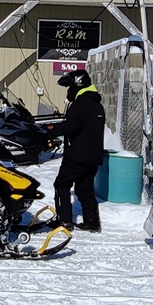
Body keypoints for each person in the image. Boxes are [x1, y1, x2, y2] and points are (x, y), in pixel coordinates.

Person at [45, 69, 106, 232]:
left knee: (61, 184)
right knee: (84, 188)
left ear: (77, 84)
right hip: (93, 156)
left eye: (70, 86)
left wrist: (50, 132)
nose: (69, 91)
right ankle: (92, 222)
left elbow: (71, 126)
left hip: (77, 155)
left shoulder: (80, 104)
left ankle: (64, 221)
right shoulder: (96, 104)